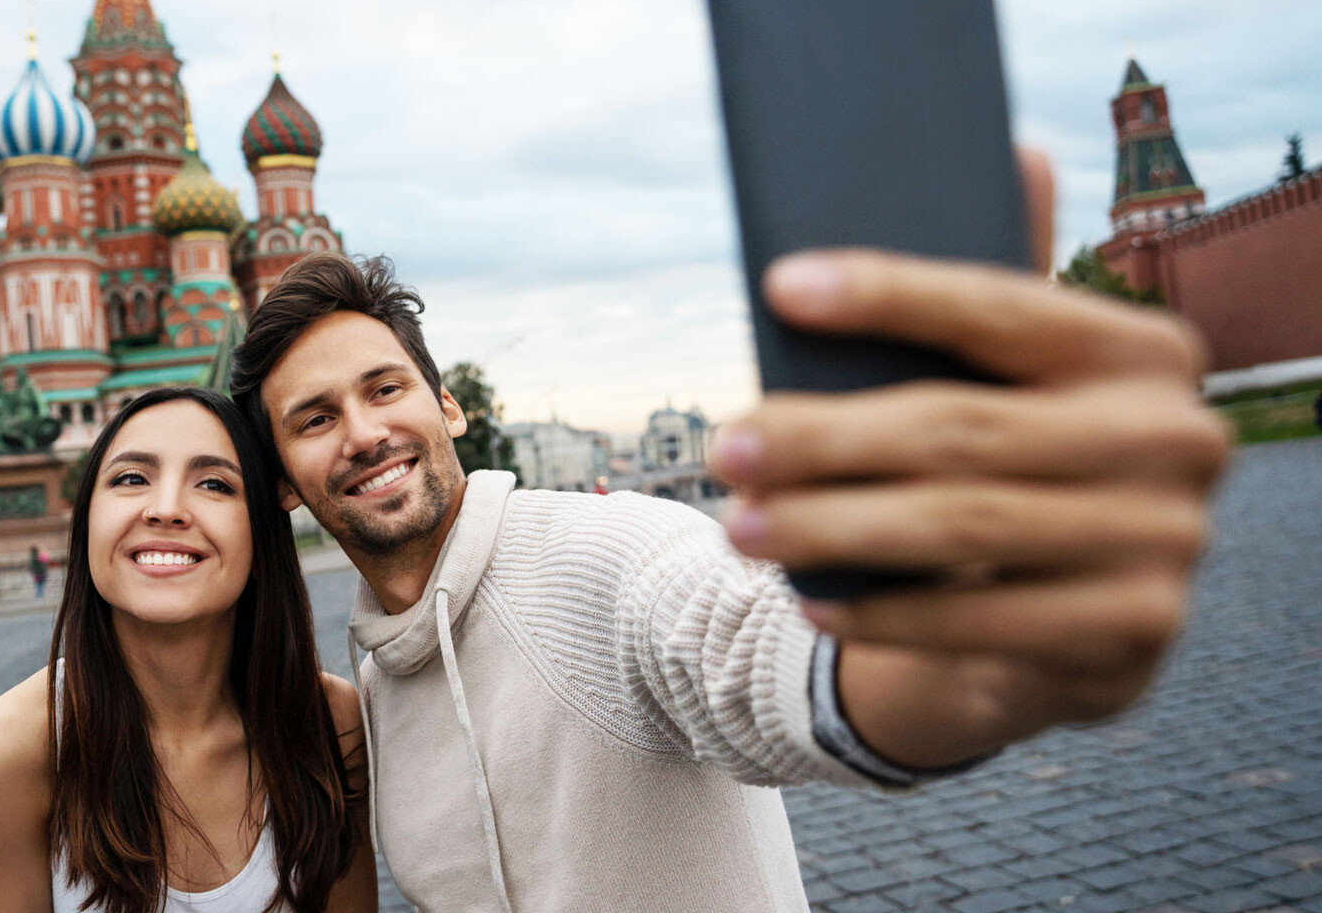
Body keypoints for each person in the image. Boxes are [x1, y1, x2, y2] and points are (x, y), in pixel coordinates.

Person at [227, 157, 1228, 912]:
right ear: (282, 487)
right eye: (315, 419)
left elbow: (760, 660)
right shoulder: (374, 685)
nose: (363, 434)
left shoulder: (608, 555)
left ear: (448, 408)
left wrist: (970, 661)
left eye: (385, 388)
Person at [0, 387, 377, 913]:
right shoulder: (13, 748)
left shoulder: (327, 724)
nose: (166, 510)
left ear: (262, 533)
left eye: (213, 483)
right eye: (132, 478)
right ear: (87, 519)